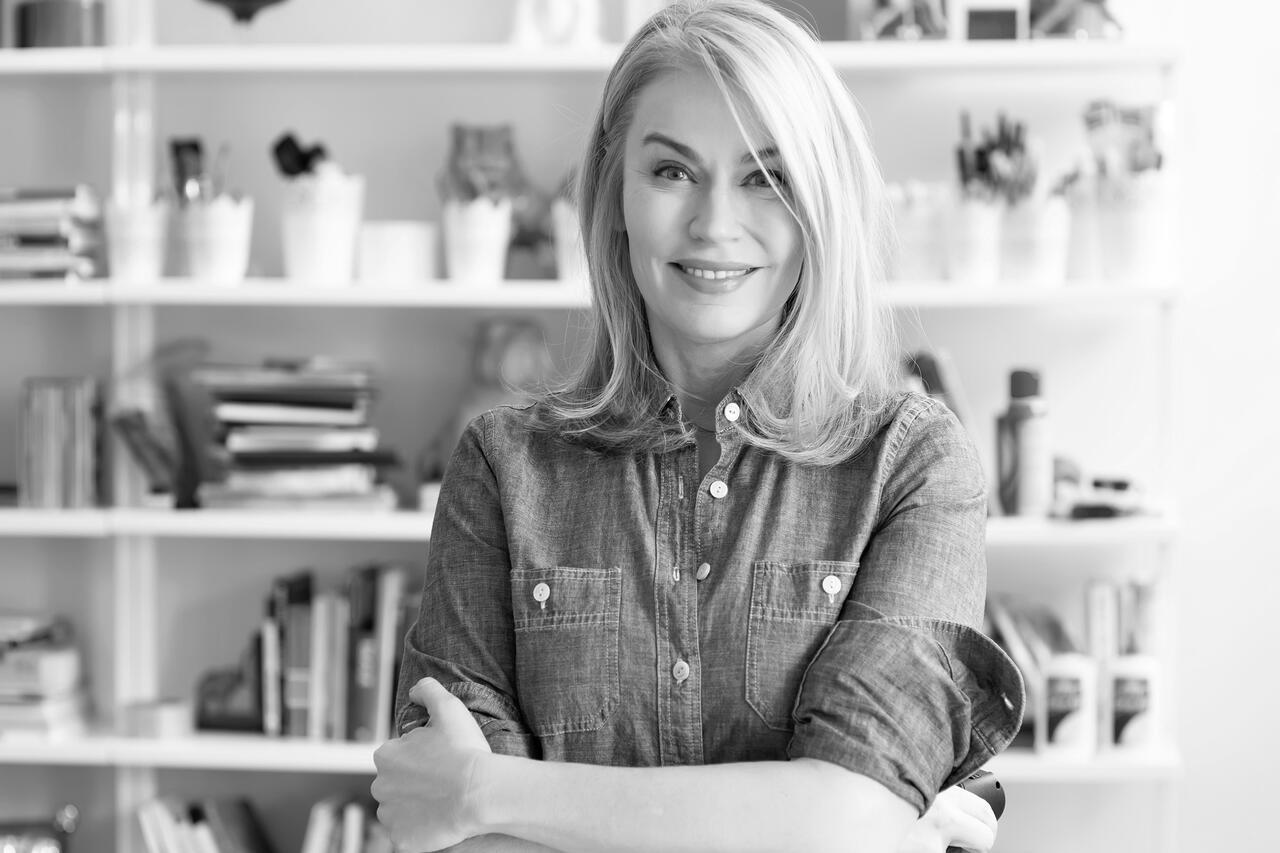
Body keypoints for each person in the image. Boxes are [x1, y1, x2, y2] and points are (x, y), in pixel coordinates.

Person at [371, 2, 1025, 851]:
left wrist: (491, 790)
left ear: (822, 203)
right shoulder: (502, 466)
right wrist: (838, 821)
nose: (715, 223)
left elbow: (847, 815)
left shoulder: (913, 464)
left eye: (767, 176)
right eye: (672, 172)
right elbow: (451, 835)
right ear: (613, 192)